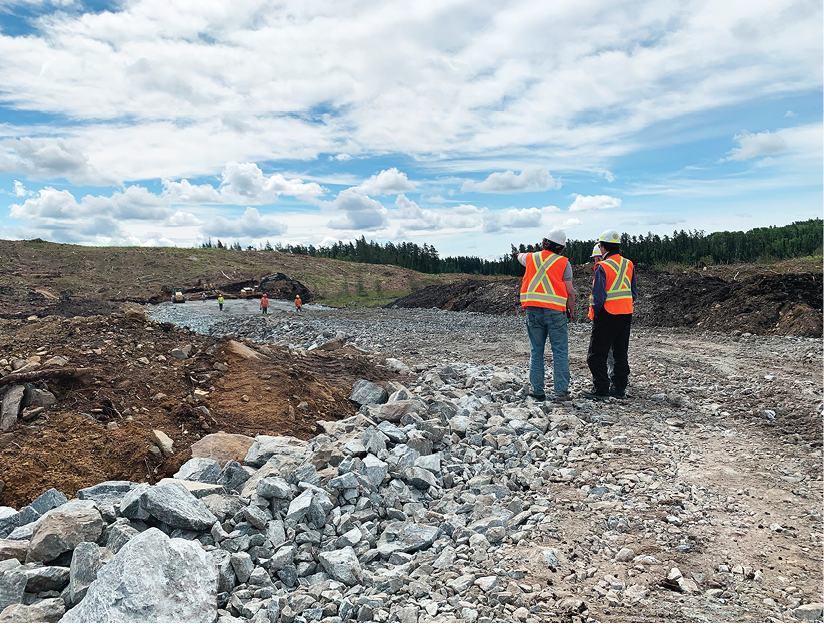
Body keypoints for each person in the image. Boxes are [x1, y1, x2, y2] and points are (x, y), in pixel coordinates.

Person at [518, 227, 575, 402]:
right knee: (559, 352)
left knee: (536, 351)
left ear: (544, 242)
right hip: (556, 312)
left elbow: (519, 256)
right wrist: (571, 309)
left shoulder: (531, 258)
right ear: (561, 248)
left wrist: (530, 254)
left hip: (533, 311)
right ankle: (561, 392)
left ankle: (538, 391)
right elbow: (570, 292)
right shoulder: (563, 263)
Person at [584, 229, 638, 401]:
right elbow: (633, 292)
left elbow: (598, 297)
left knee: (596, 354)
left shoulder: (602, 266)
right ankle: (619, 389)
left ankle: (601, 388)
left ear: (602, 247)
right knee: (620, 353)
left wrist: (596, 314)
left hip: (608, 314)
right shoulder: (628, 264)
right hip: (626, 313)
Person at [587, 244, 614, 377]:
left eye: (596, 258)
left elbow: (598, 297)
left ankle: (605, 379)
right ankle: (615, 376)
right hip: (618, 313)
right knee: (615, 348)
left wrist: (596, 312)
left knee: (602, 350)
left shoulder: (602, 269)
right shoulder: (614, 269)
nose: (595, 261)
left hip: (605, 314)